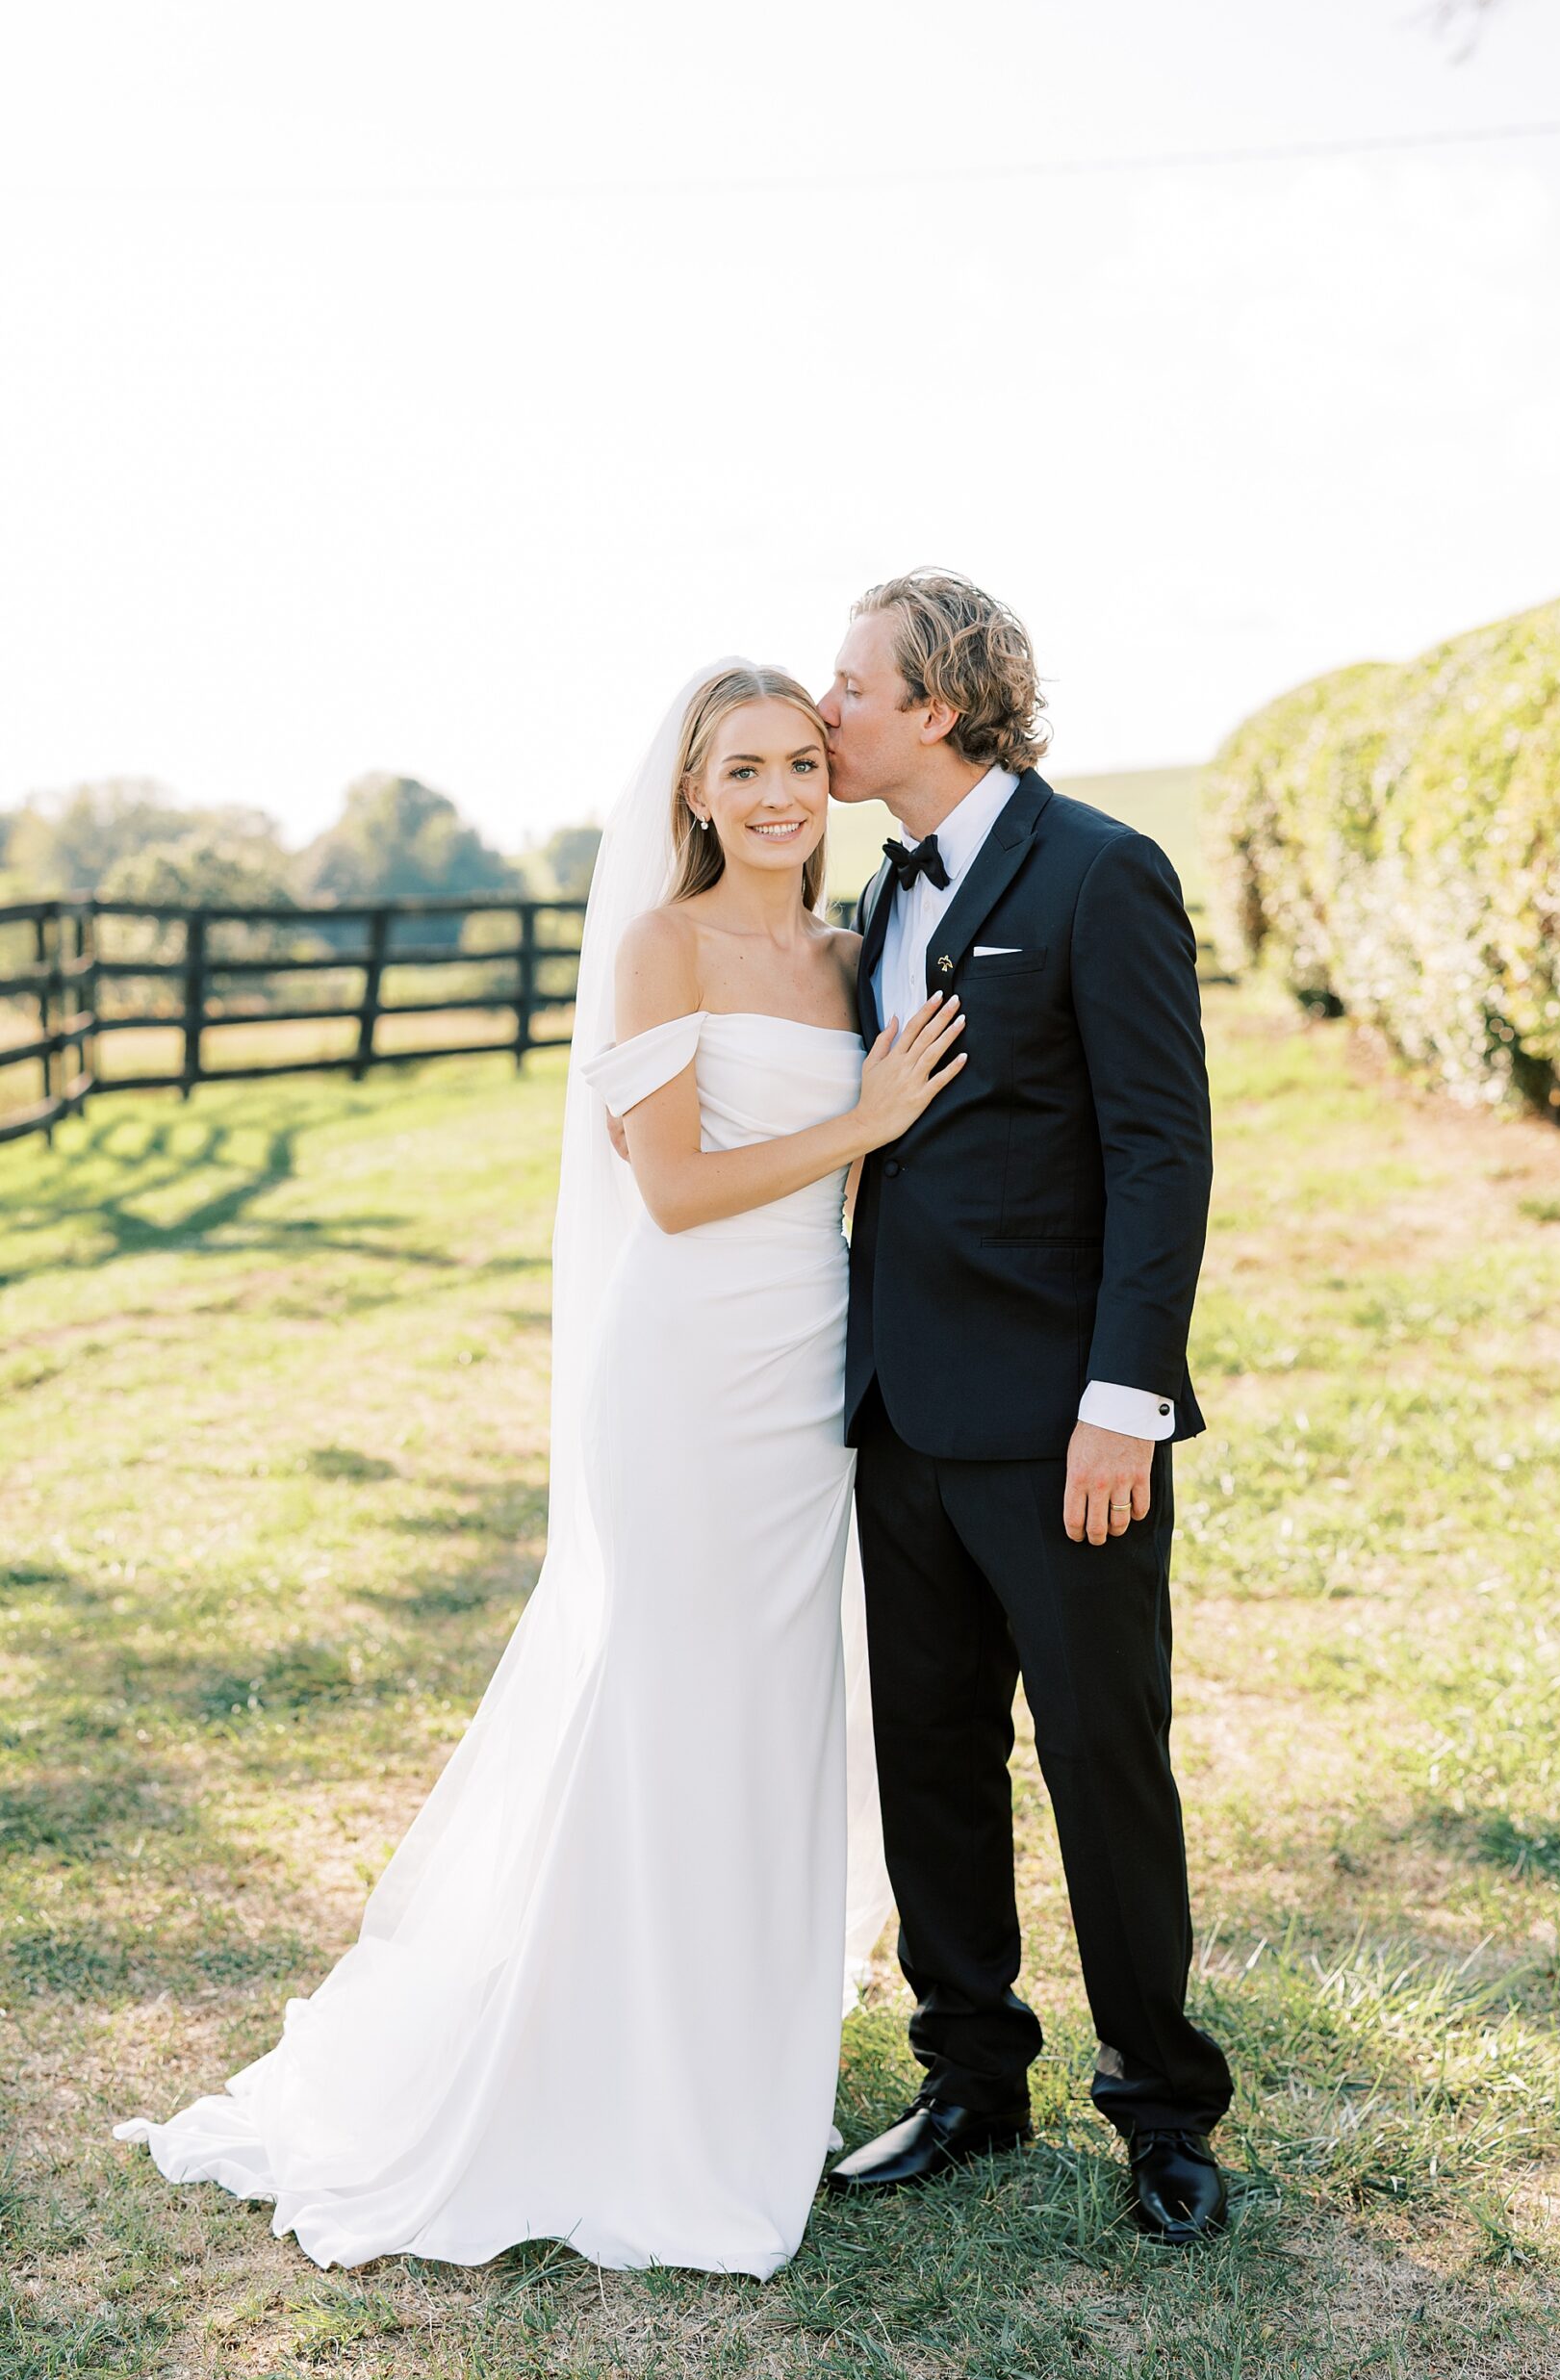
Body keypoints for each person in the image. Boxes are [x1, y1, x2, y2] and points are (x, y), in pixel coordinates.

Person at [113, 663, 961, 2279]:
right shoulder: (662, 946)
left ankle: (727, 2043)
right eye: (744, 769)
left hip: (808, 1373)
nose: (780, 794)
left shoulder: (854, 956)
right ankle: (593, 2060)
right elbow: (677, 1189)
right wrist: (865, 1123)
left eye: (801, 762)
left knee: (774, 1699)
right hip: (683, 1364)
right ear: (695, 795)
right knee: (652, 1683)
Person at [820, 572, 1233, 2244]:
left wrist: (1123, 1403)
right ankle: (969, 2079)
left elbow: (1160, 1150)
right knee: (928, 1756)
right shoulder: (875, 886)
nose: (822, 711)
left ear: (935, 706)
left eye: (848, 689)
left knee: (1101, 1759)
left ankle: (1164, 2111)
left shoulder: (1102, 871)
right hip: (893, 1415)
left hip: (1067, 1422)